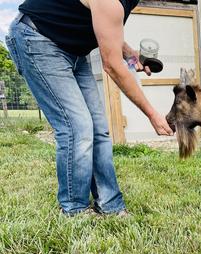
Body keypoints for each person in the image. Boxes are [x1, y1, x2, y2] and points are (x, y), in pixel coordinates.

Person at [5, 0, 174, 216]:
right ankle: (74, 209)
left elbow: (102, 24)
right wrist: (152, 114)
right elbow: (112, 65)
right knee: (77, 129)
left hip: (73, 51)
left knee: (99, 130)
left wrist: (128, 52)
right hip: (36, 39)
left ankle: (110, 205)